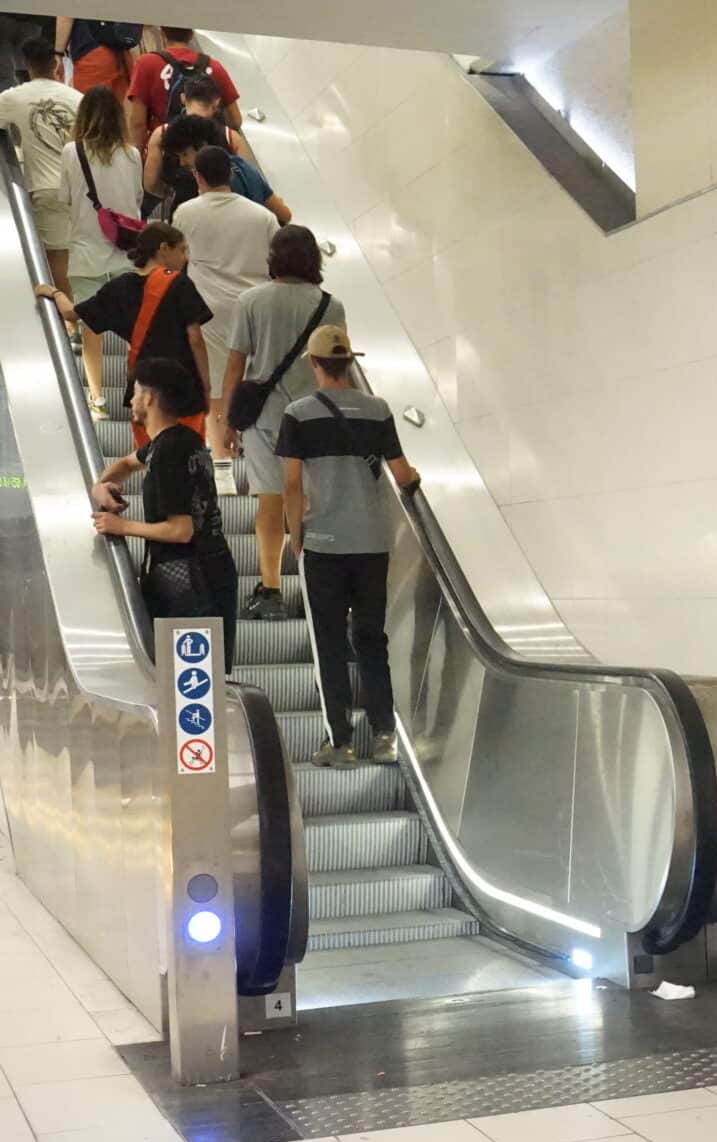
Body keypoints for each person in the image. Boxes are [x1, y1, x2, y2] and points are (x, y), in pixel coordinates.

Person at [278, 326, 421, 765]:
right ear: (349, 363)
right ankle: (384, 735)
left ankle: (340, 742)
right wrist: (413, 479)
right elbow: (402, 473)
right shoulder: (377, 410)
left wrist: (295, 536)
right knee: (371, 638)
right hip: (372, 543)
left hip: (324, 544)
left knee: (329, 644)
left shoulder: (298, 413)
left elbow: (291, 483)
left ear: (315, 364)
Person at [87, 357, 237, 671]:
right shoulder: (181, 440)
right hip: (211, 568)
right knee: (204, 679)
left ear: (150, 398)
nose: (130, 398)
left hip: (189, 583)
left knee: (191, 680)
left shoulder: (169, 452)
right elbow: (127, 463)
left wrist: (121, 525)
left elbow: (180, 530)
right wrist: (101, 485)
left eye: (136, 391)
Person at [223, 225, 341, 621]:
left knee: (270, 503)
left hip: (265, 419)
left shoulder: (251, 300)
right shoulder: (330, 305)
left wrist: (226, 421)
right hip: (316, 418)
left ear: (273, 257)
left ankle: (271, 590)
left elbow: (237, 362)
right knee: (311, 504)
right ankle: (318, 589)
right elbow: (336, 366)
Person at [35, 222, 210, 452]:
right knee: (188, 455)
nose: (185, 258)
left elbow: (71, 314)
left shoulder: (120, 287)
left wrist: (54, 292)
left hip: (144, 389)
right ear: (164, 248)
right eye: (182, 250)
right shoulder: (180, 283)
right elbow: (195, 339)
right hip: (184, 386)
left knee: (150, 455)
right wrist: (206, 385)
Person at [173, 145, 274, 455]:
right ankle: (258, 454)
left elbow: (177, 261)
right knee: (254, 383)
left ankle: (222, 462)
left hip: (209, 309)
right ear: (231, 174)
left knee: (217, 388)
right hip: (255, 308)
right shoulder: (263, 216)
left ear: (197, 176)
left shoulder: (186, 213)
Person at [54, 83, 142, 418]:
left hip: (86, 253)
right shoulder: (132, 154)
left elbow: (63, 198)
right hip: (124, 255)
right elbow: (135, 200)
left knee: (92, 330)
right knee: (136, 330)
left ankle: (97, 401)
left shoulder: (70, 152)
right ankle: (138, 401)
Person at [0, 38, 83, 272]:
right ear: (56, 63)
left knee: (54, 262)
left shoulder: (13, 97)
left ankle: (62, 308)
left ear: (25, 64)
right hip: (82, 188)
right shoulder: (78, 98)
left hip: (47, 187)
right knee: (77, 262)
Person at [140, 73, 248, 204]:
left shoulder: (161, 133)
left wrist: (173, 195)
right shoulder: (231, 137)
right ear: (216, 102)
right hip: (223, 209)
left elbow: (150, 183)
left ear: (183, 98)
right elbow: (245, 180)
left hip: (180, 209)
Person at [126, 26, 238, 149]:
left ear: (162, 34)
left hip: (164, 150)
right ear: (191, 35)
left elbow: (138, 123)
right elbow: (235, 120)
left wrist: (141, 157)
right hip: (205, 154)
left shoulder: (146, 63)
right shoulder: (214, 67)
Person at [158, 113, 286, 221]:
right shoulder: (245, 167)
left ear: (202, 145)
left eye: (185, 154)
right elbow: (284, 214)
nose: (182, 162)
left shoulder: (197, 183)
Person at [55, 17, 140, 97]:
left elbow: (67, 13)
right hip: (124, 52)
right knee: (118, 111)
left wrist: (58, 53)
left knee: (89, 110)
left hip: (92, 53)